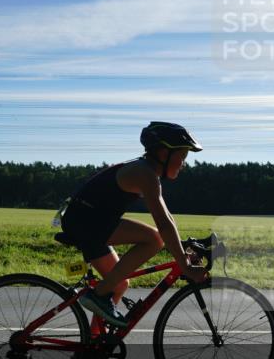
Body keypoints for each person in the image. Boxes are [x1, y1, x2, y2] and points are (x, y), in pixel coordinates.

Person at [59, 122, 208, 329]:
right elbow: (163, 225)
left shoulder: (147, 172)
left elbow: (168, 218)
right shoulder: (144, 173)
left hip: (88, 221)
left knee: (119, 283)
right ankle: (99, 295)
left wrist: (182, 251)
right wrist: (185, 266)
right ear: (164, 153)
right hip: (86, 222)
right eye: (182, 157)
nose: (184, 163)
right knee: (154, 239)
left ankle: (93, 346)